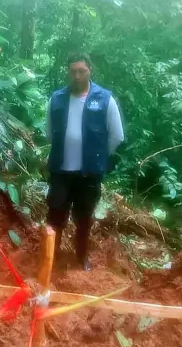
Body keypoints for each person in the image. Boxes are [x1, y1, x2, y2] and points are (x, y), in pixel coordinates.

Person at [45, 53, 124, 271]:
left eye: (82, 71)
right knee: (55, 215)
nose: (77, 76)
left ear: (90, 70)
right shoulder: (57, 99)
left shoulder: (105, 99)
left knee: (84, 217)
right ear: (67, 72)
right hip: (61, 170)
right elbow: (50, 133)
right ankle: (52, 257)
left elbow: (117, 136)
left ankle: (81, 257)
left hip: (89, 172)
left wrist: (98, 156)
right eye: (73, 71)